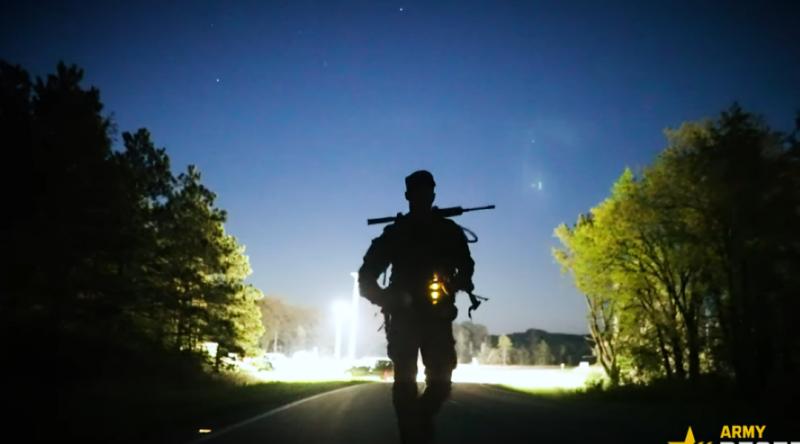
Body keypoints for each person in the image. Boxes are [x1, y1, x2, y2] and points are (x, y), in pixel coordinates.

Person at [358, 170, 475, 443]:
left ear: (433, 194)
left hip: (437, 316)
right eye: (417, 193)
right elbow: (366, 278)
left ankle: (417, 424)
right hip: (404, 318)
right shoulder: (396, 234)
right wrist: (387, 299)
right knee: (405, 384)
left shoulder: (448, 231)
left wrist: (455, 282)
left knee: (441, 383)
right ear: (408, 196)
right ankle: (411, 435)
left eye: (426, 192)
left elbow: (467, 267)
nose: (422, 197)